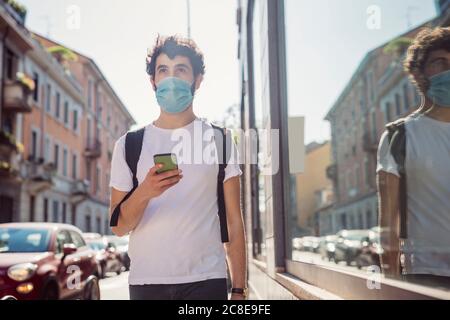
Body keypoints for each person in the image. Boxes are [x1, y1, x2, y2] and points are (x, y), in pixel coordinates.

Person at [109, 35, 247, 300]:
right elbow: (118, 227)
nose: (171, 79)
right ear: (153, 82)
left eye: (181, 70)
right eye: (163, 70)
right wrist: (145, 191)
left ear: (197, 81)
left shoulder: (221, 141)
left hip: (207, 281)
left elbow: (233, 221)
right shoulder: (128, 145)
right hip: (147, 282)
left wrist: (239, 289)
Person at [377, 27, 450, 288]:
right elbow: (388, 225)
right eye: (440, 62)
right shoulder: (399, 136)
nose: (449, 70)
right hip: (427, 277)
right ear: (419, 74)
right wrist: (391, 286)